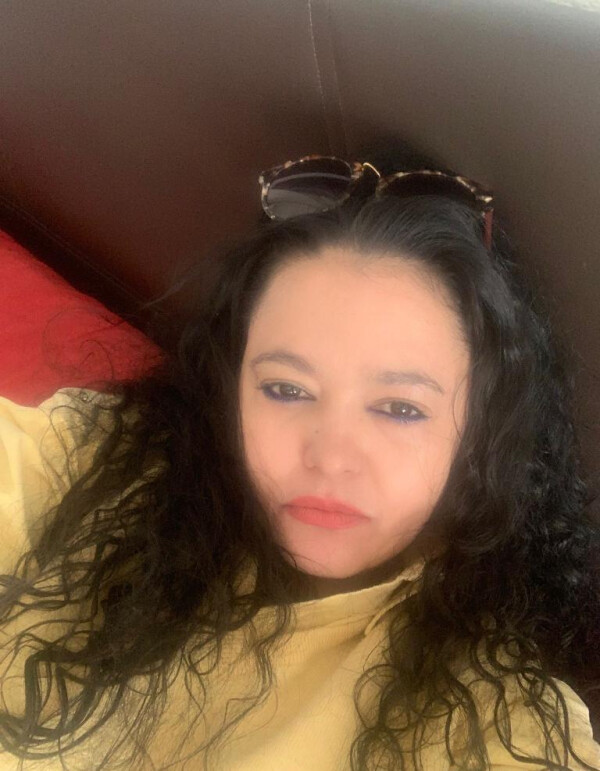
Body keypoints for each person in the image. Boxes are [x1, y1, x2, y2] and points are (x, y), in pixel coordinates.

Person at [0, 144, 599, 770]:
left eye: (400, 408)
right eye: (286, 390)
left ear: (478, 430)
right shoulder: (101, 457)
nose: (330, 458)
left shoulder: (493, 718)